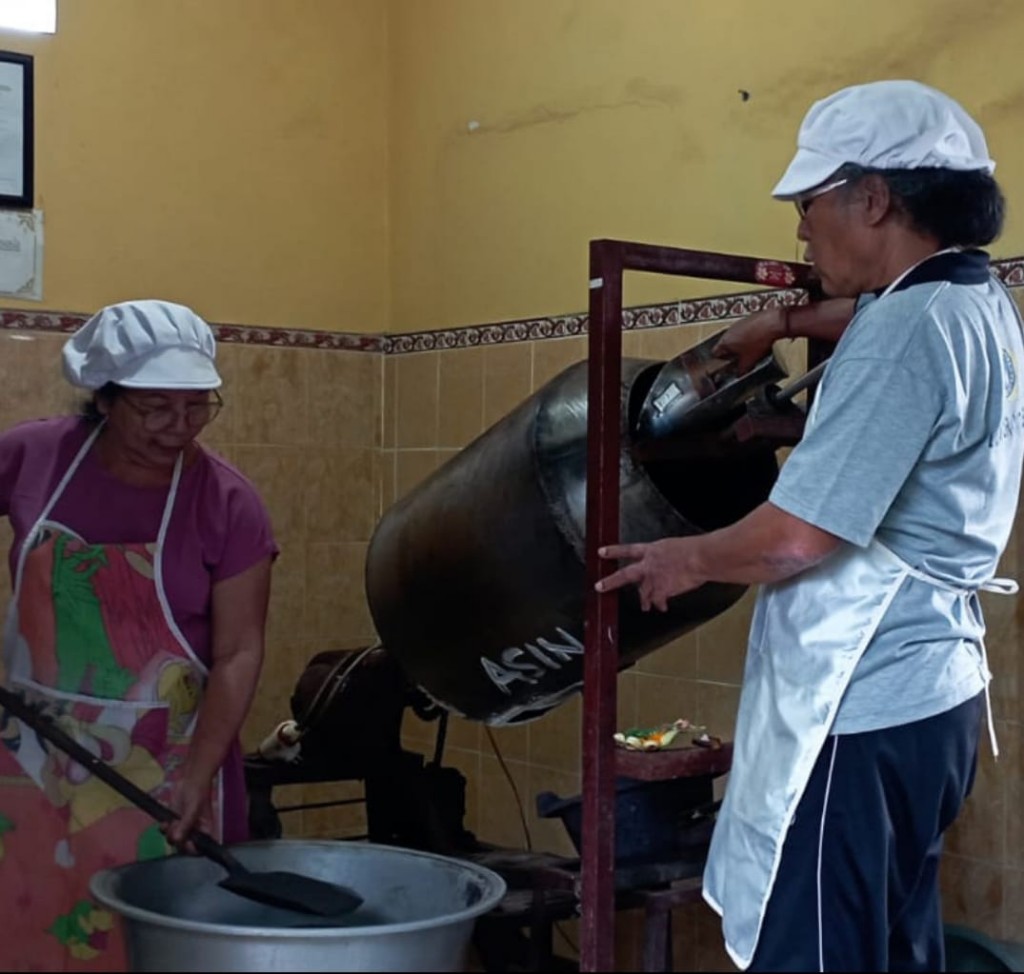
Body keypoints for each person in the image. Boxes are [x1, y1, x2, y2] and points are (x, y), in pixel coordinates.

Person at [597, 80, 1024, 971]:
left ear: (873, 198)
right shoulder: (973, 301)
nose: (800, 232)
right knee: (893, 949)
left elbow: (795, 538)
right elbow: (875, 321)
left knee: (819, 953)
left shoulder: (906, 331)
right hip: (933, 699)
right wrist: (780, 321)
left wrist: (684, 557)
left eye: (807, 204)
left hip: (860, 706)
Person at [0, 299, 277, 970]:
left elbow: (239, 652)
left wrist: (199, 776)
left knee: (154, 946)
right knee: (33, 933)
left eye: (197, 406)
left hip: (169, 767)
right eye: (155, 408)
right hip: (33, 755)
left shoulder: (227, 501)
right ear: (104, 398)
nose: (178, 427)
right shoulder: (32, 456)